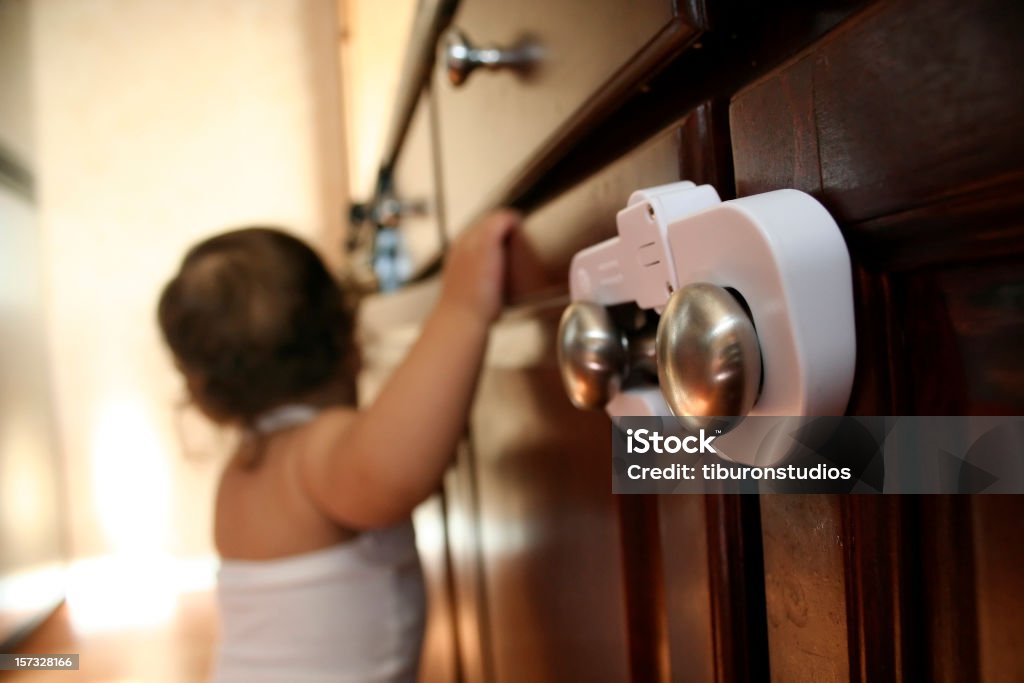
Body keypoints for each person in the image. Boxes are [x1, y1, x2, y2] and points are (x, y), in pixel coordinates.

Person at [157, 210, 520, 683]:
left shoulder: (252, 466)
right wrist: (461, 309)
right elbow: (397, 471)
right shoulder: (313, 456)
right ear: (349, 333)